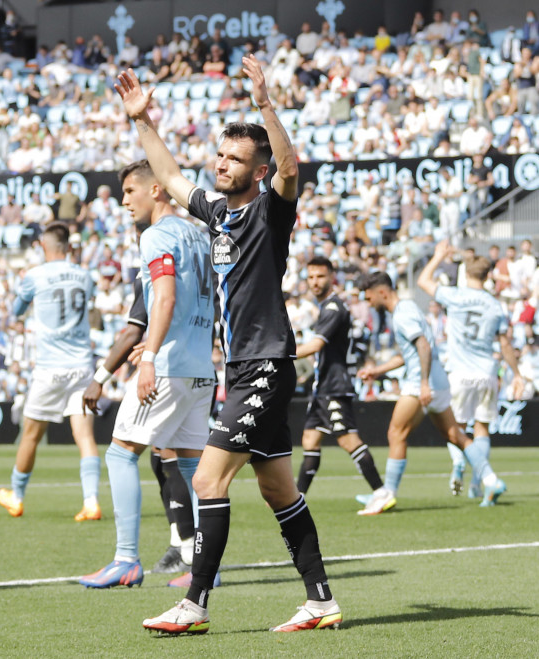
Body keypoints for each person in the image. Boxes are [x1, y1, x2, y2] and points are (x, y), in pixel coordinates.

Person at [115, 58, 340, 635]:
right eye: (220, 154)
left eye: (236, 158)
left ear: (258, 170)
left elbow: (291, 166)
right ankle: (320, 600)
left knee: (209, 482)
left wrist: (265, 103)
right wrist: (143, 121)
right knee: (276, 487)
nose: (221, 163)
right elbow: (167, 172)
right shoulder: (216, 214)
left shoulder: (271, 211)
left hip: (264, 366)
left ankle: (194, 605)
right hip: (242, 370)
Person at [78, 160, 214, 588]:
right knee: (194, 471)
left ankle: (125, 560)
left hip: (170, 367)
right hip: (201, 369)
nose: (123, 201)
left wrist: (150, 356)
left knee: (120, 454)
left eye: (129, 192)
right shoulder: (201, 235)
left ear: (156, 190)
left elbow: (165, 299)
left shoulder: (156, 235)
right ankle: (205, 570)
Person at [356, 271, 507, 517]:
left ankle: (385, 494)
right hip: (439, 381)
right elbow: (410, 353)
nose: (368, 301)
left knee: (396, 433)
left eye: (369, 296)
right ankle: (491, 480)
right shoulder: (408, 309)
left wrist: (424, 383)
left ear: (382, 292)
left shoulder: (402, 314)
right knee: (455, 435)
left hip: (420, 384)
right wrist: (377, 371)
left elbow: (423, 346)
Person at [0, 222, 100, 521]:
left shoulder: (35, 276)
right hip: (81, 366)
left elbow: (16, 311)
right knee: (85, 436)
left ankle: (17, 496)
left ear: (43, 246)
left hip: (50, 368)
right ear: (68, 246)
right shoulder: (85, 276)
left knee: (30, 435)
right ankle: (91, 501)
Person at [417, 241, 524, 500]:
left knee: (456, 430)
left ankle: (459, 465)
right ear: (488, 276)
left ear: (466, 273)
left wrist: (438, 256)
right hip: (488, 372)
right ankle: (479, 483)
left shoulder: (456, 295)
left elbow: (423, 281)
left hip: (460, 373)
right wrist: (517, 374)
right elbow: (505, 343)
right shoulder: (495, 306)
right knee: (482, 429)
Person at [294, 257, 384, 499]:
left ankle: (381, 492)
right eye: (311, 277)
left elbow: (314, 345)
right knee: (310, 439)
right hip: (323, 385)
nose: (315, 282)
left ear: (332, 277)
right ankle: (297, 499)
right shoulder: (326, 307)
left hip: (334, 385)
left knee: (348, 441)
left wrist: (279, 354)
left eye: (320, 276)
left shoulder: (334, 308)